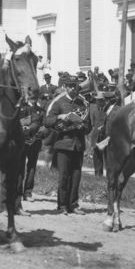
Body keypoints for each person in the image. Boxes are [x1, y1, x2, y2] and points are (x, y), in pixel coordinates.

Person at [43, 74, 92, 214]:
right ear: (65, 87)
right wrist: (61, 116)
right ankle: (62, 206)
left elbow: (89, 126)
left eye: (75, 86)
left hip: (78, 144)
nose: (73, 88)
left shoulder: (83, 103)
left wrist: (82, 125)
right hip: (63, 143)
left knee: (76, 176)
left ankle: (73, 205)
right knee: (64, 176)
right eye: (70, 86)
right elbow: (47, 121)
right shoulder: (58, 102)